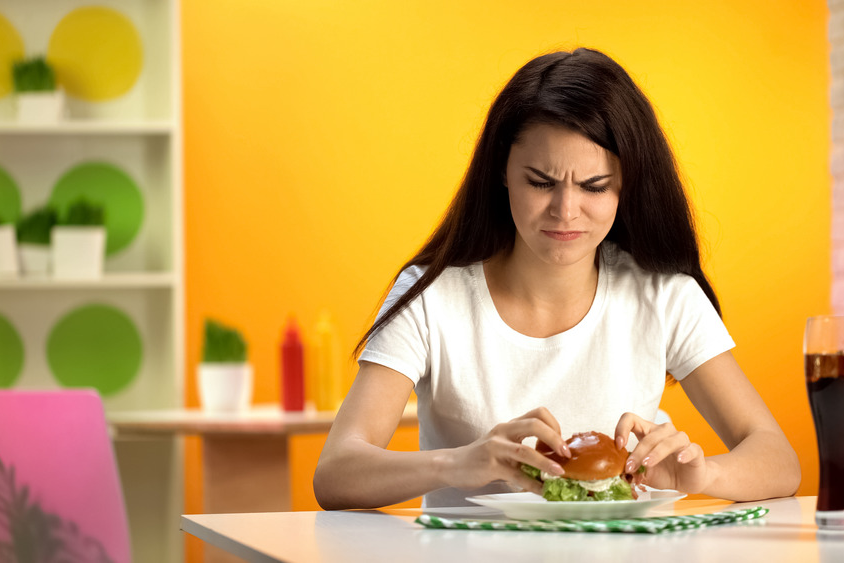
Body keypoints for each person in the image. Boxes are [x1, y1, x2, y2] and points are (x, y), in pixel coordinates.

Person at [314, 47, 800, 510]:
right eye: (541, 182)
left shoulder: (662, 294)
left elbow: (779, 461)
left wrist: (702, 476)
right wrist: (458, 463)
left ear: (626, 185)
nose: (566, 212)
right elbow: (336, 472)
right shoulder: (432, 296)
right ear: (502, 170)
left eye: (594, 187)